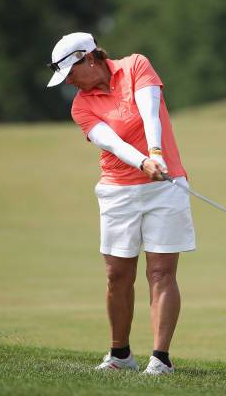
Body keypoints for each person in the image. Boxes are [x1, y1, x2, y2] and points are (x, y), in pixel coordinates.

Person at [46, 32, 196, 375]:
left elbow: (150, 114)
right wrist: (143, 161)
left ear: (91, 58)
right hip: (118, 189)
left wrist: (156, 154)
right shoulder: (81, 105)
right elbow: (111, 142)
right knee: (117, 274)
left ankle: (160, 359)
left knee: (161, 272)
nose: (69, 81)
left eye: (71, 72)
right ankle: (120, 355)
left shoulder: (136, 66)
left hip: (166, 186)